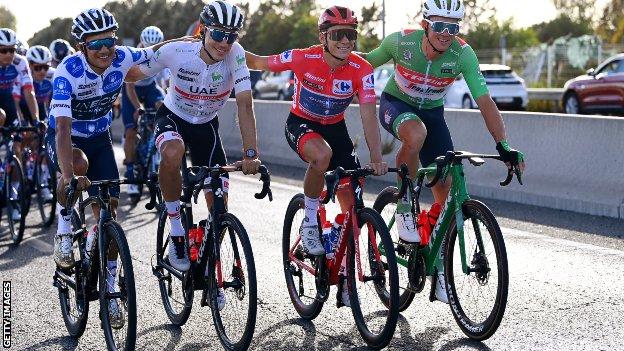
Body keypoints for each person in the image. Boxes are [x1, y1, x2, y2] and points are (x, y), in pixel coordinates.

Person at [362, 0, 525, 303]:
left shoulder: (462, 54)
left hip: (434, 116)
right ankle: (404, 208)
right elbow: (363, 63)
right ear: (425, 24)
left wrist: (503, 144)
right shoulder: (400, 42)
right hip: (396, 105)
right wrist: (329, 60)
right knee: (415, 134)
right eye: (440, 25)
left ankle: (438, 269)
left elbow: (484, 100)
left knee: (446, 195)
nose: (446, 33)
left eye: (453, 27)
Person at [245, 6, 388, 307]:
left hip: (336, 128)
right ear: (323, 36)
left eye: (351, 34)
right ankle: (309, 221)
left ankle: (346, 276)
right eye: (338, 35)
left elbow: (367, 115)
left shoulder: (362, 70)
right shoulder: (302, 57)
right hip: (301, 124)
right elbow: (258, 61)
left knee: (354, 205)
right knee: (322, 156)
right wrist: (225, 44)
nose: (346, 41)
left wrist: (376, 157)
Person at [47, 8, 173, 327]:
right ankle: (64, 230)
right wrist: (68, 176)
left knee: (109, 212)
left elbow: (158, 50)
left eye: (109, 41)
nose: (104, 49)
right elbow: (62, 129)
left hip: (100, 137)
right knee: (78, 166)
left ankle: (111, 284)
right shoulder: (68, 72)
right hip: (67, 138)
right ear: (82, 47)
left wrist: (197, 38)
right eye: (95, 43)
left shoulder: (121, 57)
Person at [137, 0, 261, 278]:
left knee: (218, 206)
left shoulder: (235, 54)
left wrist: (251, 153)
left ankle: (208, 265)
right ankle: (177, 230)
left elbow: (244, 104)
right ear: (203, 30)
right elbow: (134, 72)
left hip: (206, 126)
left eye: (231, 36)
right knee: (172, 151)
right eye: (218, 34)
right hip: (173, 118)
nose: (224, 43)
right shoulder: (178, 51)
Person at [121, 26, 167, 196]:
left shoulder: (162, 54)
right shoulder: (133, 56)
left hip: (149, 88)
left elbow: (167, 82)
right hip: (131, 90)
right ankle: (132, 170)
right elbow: (130, 88)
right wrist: (137, 108)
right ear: (142, 43)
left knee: (163, 106)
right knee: (131, 131)